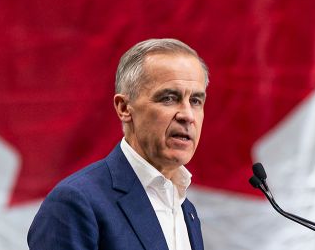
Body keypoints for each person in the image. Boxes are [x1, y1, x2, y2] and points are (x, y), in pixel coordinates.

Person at [27, 38, 208, 250]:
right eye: (168, 98)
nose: (188, 115)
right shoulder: (76, 203)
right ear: (124, 108)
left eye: (196, 101)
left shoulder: (186, 210)